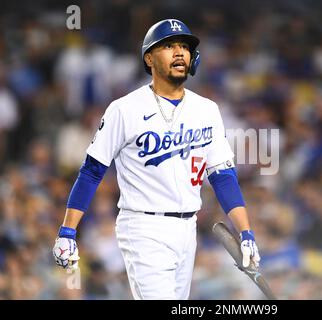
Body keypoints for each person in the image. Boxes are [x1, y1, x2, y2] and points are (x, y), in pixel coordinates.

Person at [52, 19, 260, 300]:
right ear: (149, 58)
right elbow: (91, 172)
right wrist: (67, 230)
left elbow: (223, 176)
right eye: (169, 46)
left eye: (184, 47)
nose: (179, 52)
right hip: (143, 227)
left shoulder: (207, 110)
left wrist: (246, 232)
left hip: (188, 228)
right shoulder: (124, 110)